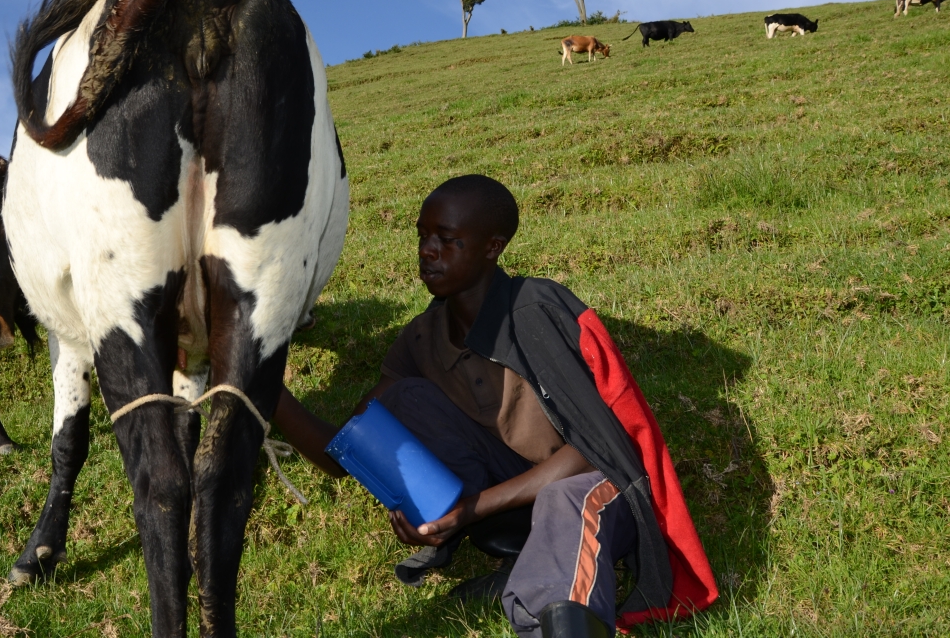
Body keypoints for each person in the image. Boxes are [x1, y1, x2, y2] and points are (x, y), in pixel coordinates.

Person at [274, 175, 717, 637]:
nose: (427, 250)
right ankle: (519, 561)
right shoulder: (421, 338)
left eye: (447, 240)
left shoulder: (535, 311)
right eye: (423, 236)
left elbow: (598, 447)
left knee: (564, 499)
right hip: (504, 505)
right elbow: (342, 452)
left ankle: (555, 605)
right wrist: (265, 393)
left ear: (492, 247)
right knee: (406, 399)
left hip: (595, 488)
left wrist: (472, 508)